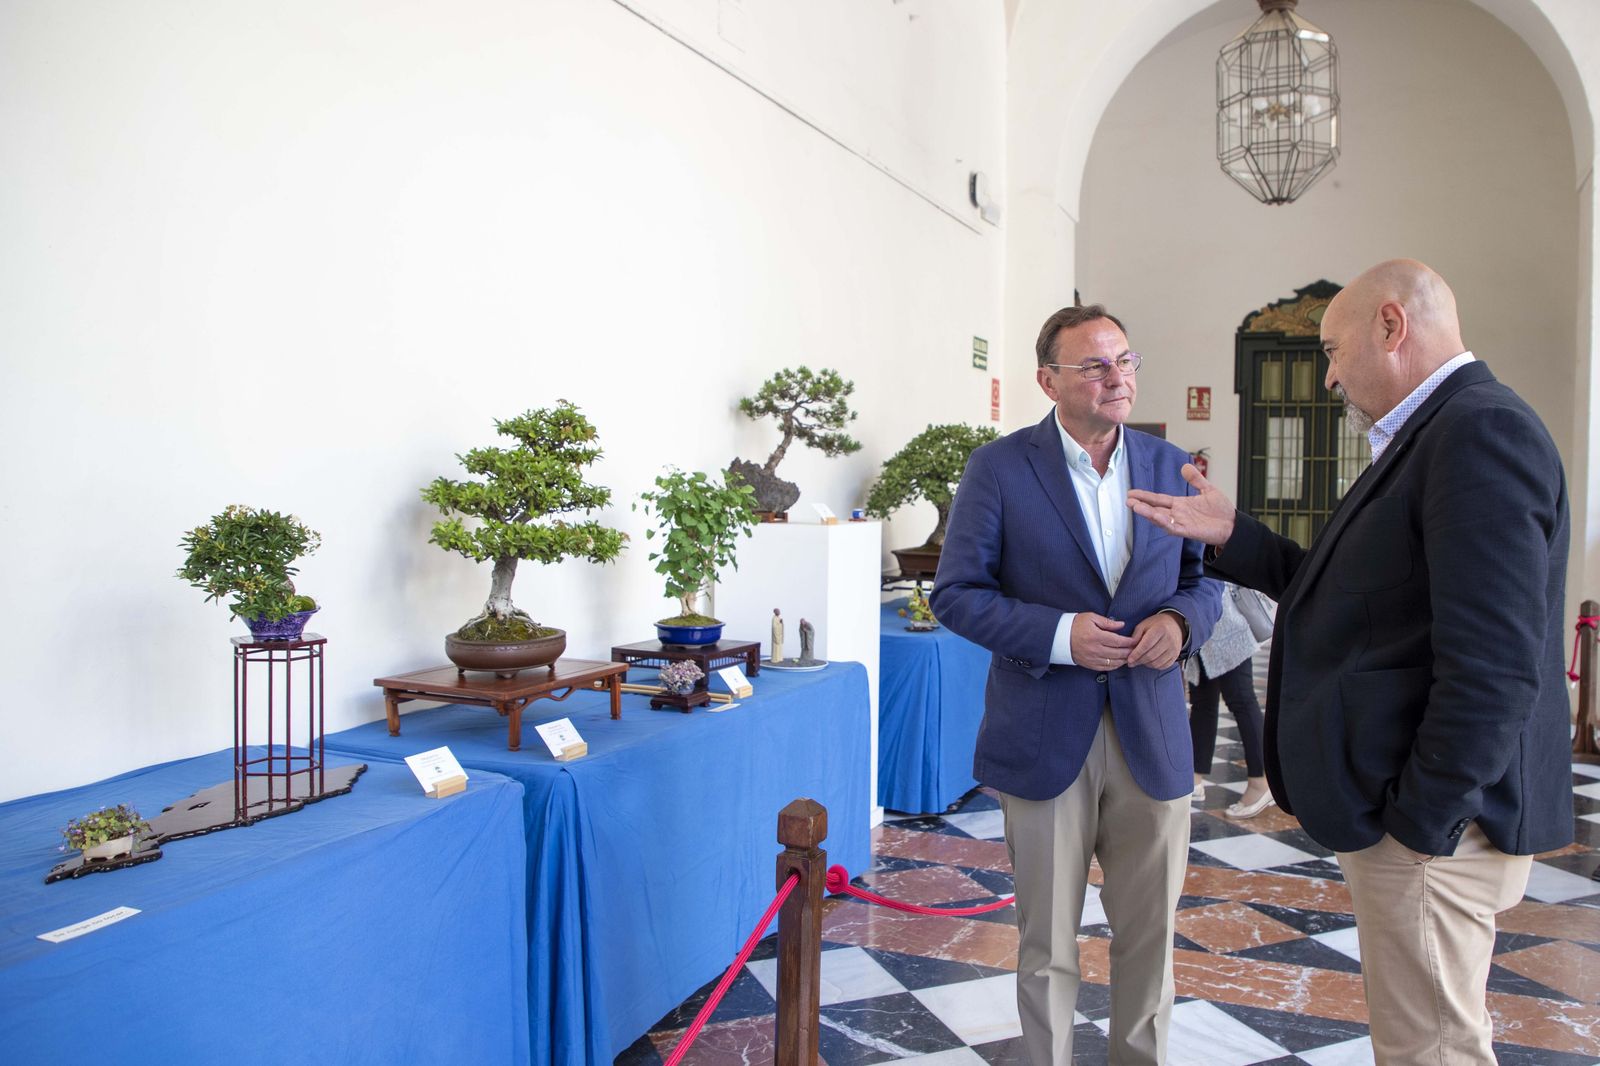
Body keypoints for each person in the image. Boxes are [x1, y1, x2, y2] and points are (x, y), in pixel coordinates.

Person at [1127, 259, 1573, 1065]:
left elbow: (1497, 666)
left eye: (1333, 349)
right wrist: (1237, 536)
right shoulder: (1439, 433)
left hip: (1438, 832)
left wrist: (1419, 823)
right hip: (1425, 816)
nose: (1328, 374)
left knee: (1429, 1049)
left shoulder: (1477, 432)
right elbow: (1361, 600)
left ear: (1392, 327)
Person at [931, 304, 1220, 1065]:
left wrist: (1181, 625)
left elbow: (1203, 579)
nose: (1117, 377)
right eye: (1094, 365)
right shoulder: (999, 468)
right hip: (1042, 731)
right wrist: (1061, 636)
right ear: (1047, 379)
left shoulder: (1169, 465)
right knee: (1047, 945)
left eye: (1124, 360)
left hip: (1150, 730)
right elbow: (956, 592)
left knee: (1149, 940)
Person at [1186, 583, 1273, 818]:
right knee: (1203, 703)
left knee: (1241, 699)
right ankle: (1194, 778)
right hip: (1202, 627)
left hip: (1226, 624)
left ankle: (1261, 780)